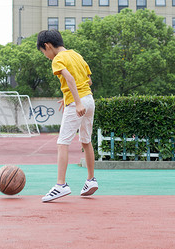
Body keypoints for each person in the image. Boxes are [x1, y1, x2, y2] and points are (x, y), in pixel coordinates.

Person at [37, 29, 98, 202]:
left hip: (78, 102)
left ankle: (61, 185)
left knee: (62, 143)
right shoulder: (76, 55)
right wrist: (71, 98)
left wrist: (76, 101)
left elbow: (70, 78)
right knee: (86, 141)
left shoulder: (58, 59)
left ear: (47, 46)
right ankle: (91, 180)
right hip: (90, 100)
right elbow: (88, 80)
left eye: (44, 52)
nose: (46, 56)